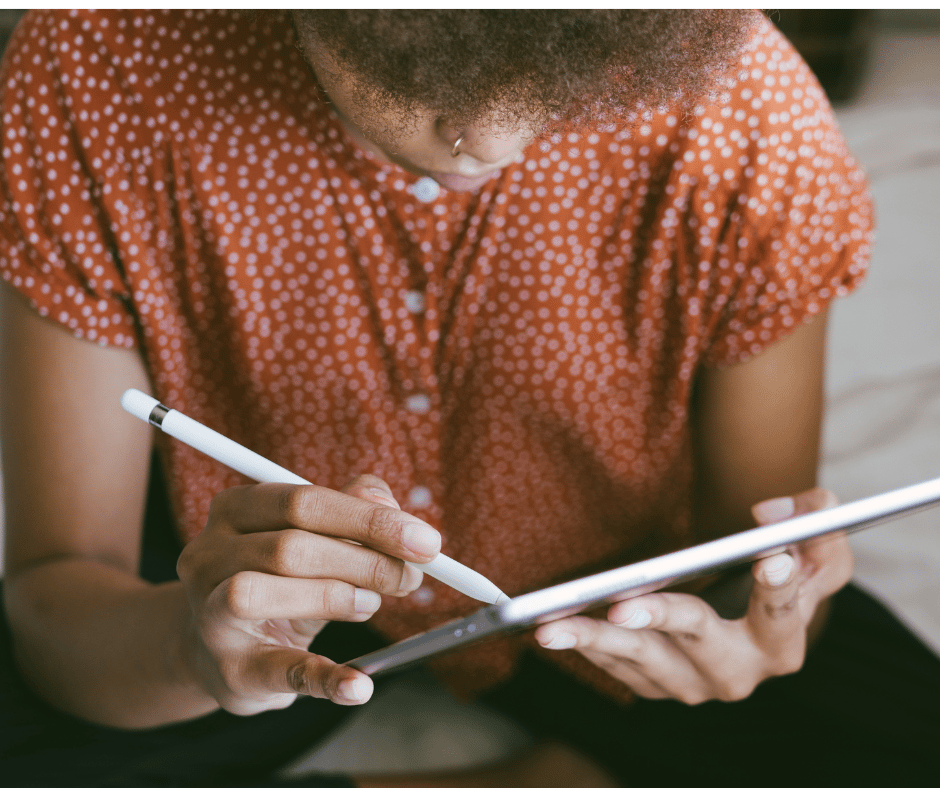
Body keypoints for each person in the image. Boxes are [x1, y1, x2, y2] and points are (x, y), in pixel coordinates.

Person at [1, 9, 939, 787]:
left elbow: (758, 560)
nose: (488, 140)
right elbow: (57, 593)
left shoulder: (743, 113)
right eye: (411, 59)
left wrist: (761, 628)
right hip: (236, 581)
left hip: (620, 601)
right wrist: (189, 653)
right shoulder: (96, 62)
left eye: (568, 74)